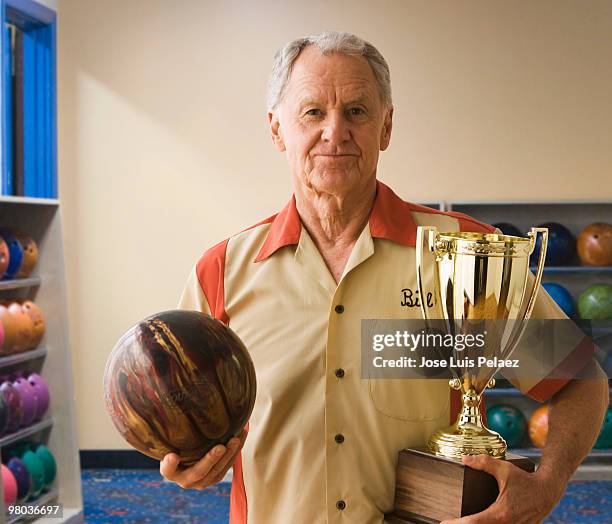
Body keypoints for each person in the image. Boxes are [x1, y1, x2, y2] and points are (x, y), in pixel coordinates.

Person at [160, 31, 609, 524]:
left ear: (387, 126)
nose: (336, 132)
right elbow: (180, 417)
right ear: (277, 129)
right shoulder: (221, 272)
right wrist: (186, 460)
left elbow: (580, 382)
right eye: (313, 112)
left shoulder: (468, 255)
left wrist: (545, 488)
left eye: (357, 111)